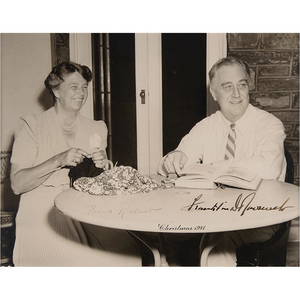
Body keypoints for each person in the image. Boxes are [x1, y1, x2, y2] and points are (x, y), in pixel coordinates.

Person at [10, 61, 141, 266]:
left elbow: (97, 179)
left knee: (127, 255)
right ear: (56, 91)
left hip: (82, 206)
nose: (81, 93)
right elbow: (18, 184)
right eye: (73, 87)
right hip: (42, 210)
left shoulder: (96, 128)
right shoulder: (31, 126)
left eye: (84, 87)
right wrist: (58, 160)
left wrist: (103, 167)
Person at [159, 57, 286, 266]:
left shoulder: (269, 124)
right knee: (164, 235)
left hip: (259, 216)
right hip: (211, 212)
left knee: (217, 244)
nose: (236, 94)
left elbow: (270, 167)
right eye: (227, 87)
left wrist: (214, 168)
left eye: (242, 85)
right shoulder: (206, 126)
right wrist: (174, 158)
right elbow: (175, 160)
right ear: (213, 93)